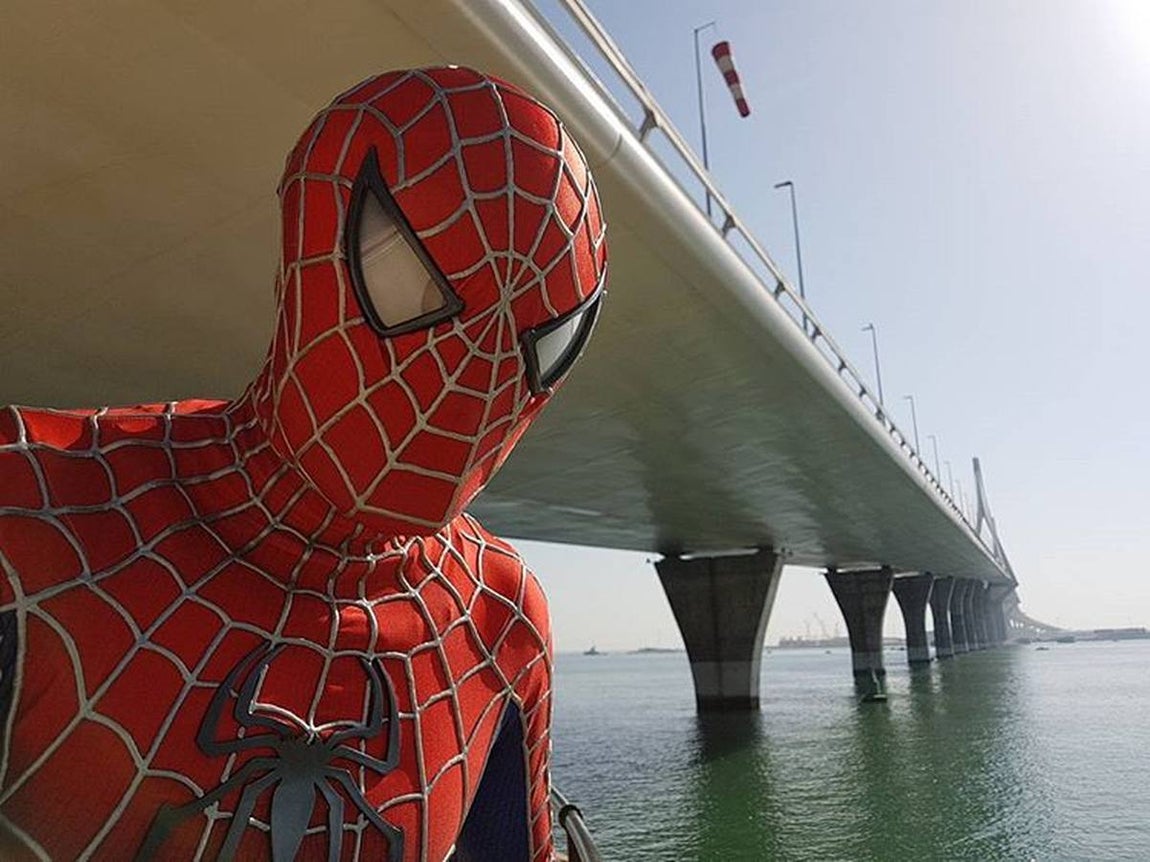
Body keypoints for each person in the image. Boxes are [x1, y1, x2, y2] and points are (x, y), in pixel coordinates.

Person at [0, 66, 606, 861]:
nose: (472, 383)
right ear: (313, 233)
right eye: (415, 283)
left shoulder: (498, 617)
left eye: (538, 347)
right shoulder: (35, 507)